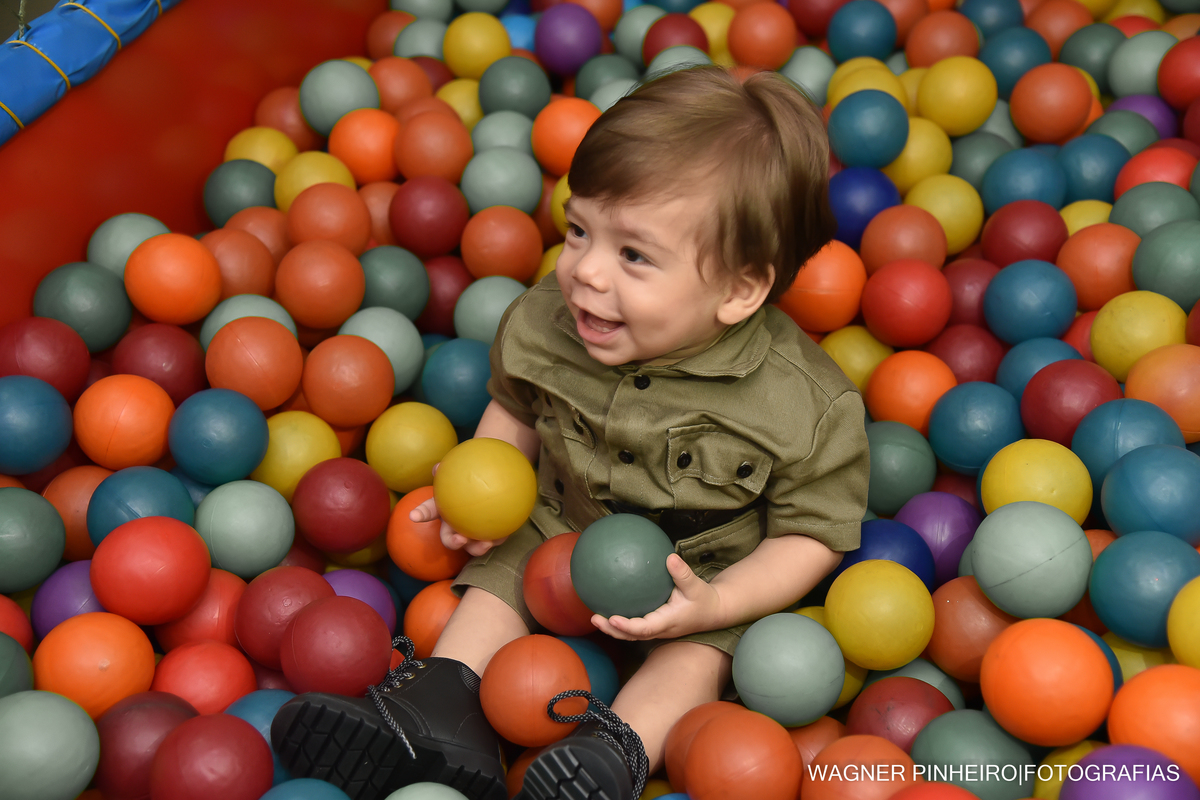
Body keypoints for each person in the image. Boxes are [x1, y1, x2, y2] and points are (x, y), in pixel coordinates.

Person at [271, 65, 870, 800]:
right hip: (560, 526)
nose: (584, 271)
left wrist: (719, 602)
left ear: (740, 289)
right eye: (580, 229)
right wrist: (479, 491)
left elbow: (812, 534)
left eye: (634, 256)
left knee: (697, 659)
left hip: (699, 578)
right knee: (498, 580)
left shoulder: (806, 405)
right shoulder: (544, 322)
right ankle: (436, 708)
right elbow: (518, 410)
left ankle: (611, 756)